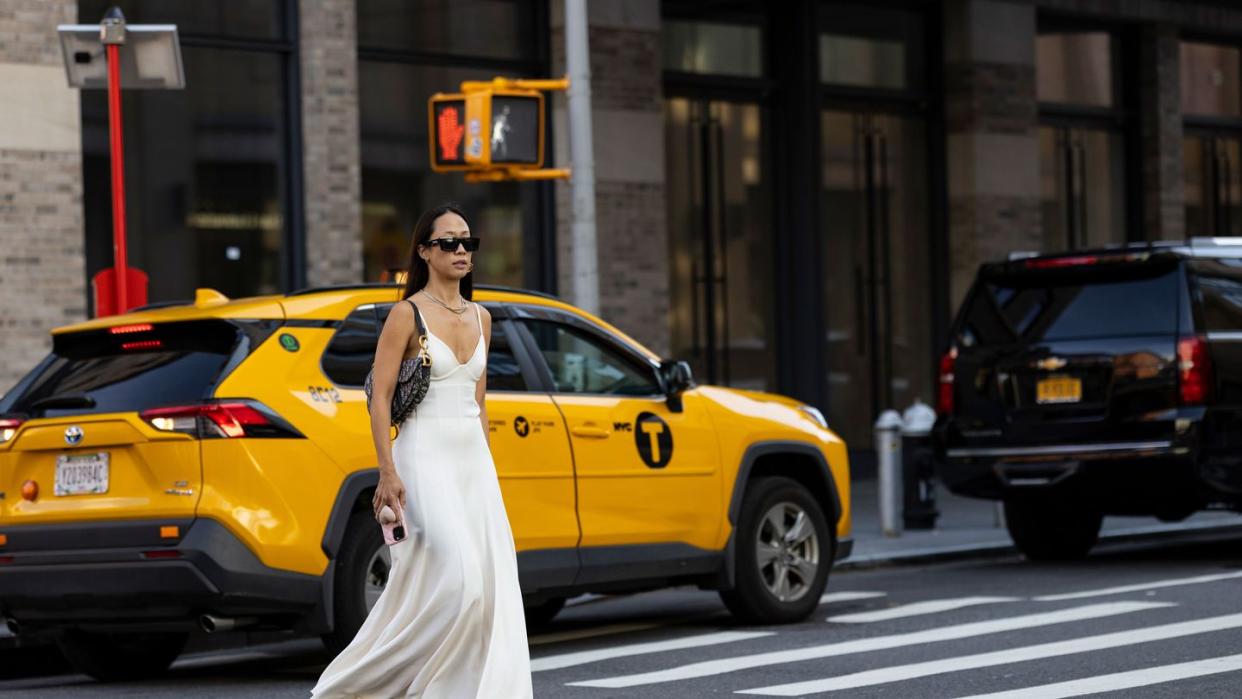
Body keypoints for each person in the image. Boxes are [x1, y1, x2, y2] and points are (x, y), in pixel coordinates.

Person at [311, 204, 533, 698]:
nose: (460, 251)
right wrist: (386, 473)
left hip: (472, 461)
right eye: (449, 242)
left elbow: (479, 404)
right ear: (425, 251)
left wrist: (488, 471)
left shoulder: (482, 317)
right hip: (422, 456)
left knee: (491, 588)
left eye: (467, 242)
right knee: (460, 583)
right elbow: (381, 398)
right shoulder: (405, 314)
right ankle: (359, 687)